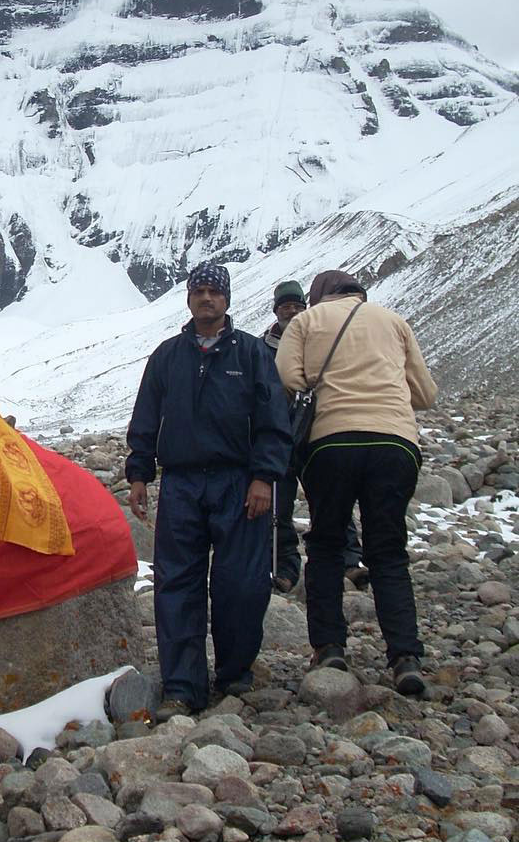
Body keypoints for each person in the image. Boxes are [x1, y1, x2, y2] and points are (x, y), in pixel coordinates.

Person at [126, 262, 292, 717]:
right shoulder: (167, 356)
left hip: (239, 483)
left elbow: (274, 423)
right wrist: (139, 473)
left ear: (227, 299)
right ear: (188, 298)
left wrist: (264, 476)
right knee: (176, 583)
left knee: (240, 583)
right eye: (198, 291)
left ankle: (235, 672)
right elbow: (145, 417)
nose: (206, 298)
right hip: (180, 483)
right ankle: (182, 686)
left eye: (214, 292)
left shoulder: (255, 355)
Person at [275, 269, 437, 695]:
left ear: (318, 296)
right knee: (388, 550)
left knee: (327, 543)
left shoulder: (306, 322)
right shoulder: (393, 321)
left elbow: (287, 378)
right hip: (395, 445)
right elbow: (425, 394)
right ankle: (405, 657)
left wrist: (324, 387)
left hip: (331, 443)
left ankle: (330, 648)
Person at [262, 280, 367, 593]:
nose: (291, 311)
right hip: (280, 436)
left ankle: (350, 562)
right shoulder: (261, 347)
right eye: (285, 307)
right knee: (279, 506)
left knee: (331, 499)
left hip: (316, 432)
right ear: (276, 310)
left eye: (296, 306)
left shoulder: (318, 342)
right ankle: (284, 569)